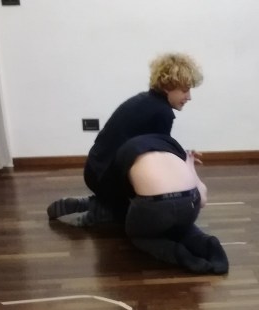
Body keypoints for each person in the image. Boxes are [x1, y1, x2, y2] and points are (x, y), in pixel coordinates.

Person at [47, 53, 203, 226]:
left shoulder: (144, 100)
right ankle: (101, 211)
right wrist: (186, 165)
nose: (189, 97)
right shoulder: (162, 113)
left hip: (94, 170)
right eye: (185, 90)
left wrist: (183, 155)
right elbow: (161, 160)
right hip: (105, 180)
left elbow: (160, 147)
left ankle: (98, 203)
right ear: (168, 86)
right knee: (147, 211)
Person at [116, 133, 228, 274]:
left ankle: (176, 252)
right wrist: (190, 164)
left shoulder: (125, 149)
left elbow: (126, 196)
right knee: (183, 228)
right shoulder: (171, 144)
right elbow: (202, 201)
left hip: (156, 205)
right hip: (190, 200)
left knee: (139, 236)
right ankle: (208, 244)